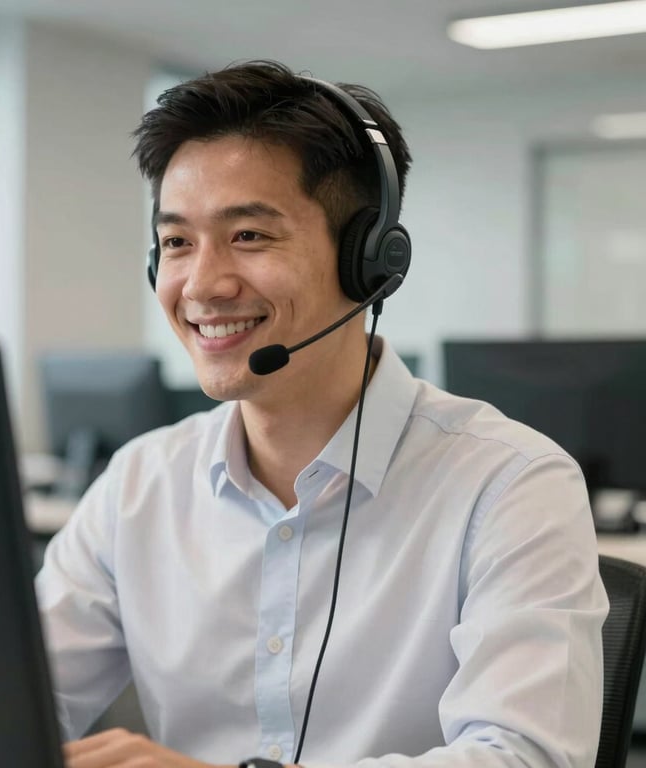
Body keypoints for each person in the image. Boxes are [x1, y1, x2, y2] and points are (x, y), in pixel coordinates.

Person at [36, 60, 608, 768]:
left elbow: (525, 758)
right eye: (178, 242)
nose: (203, 284)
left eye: (249, 236)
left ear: (368, 261)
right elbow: (6, 702)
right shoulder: (139, 484)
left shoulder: (510, 483)